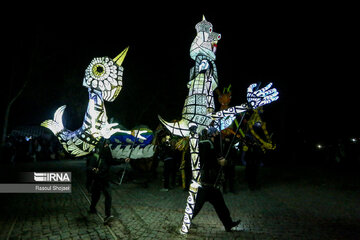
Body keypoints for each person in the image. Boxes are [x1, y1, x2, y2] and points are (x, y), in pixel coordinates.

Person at [192, 129, 241, 232]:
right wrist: (218, 161)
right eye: (217, 133)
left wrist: (220, 159)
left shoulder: (211, 144)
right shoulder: (206, 143)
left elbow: (213, 156)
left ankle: (228, 224)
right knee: (196, 207)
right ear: (213, 134)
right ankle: (185, 222)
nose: (219, 134)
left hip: (211, 184)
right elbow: (205, 160)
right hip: (205, 183)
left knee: (221, 206)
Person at [86, 138, 130, 224]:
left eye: (107, 144)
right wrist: (93, 169)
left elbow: (112, 161)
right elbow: (89, 167)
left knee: (108, 196)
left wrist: (123, 160)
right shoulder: (94, 156)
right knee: (96, 196)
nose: (107, 146)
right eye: (105, 145)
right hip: (97, 179)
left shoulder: (107, 153)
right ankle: (92, 208)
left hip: (105, 178)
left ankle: (107, 215)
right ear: (101, 146)